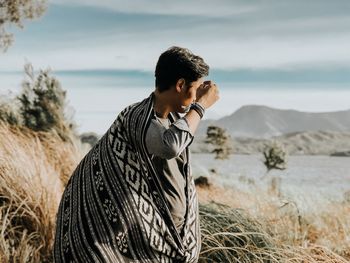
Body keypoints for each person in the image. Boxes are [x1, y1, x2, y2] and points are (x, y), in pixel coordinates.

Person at [53, 46, 219, 263]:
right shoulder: (137, 118)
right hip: (141, 239)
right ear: (180, 85)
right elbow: (169, 146)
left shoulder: (173, 122)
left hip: (170, 237)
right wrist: (200, 107)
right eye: (195, 88)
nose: (197, 95)